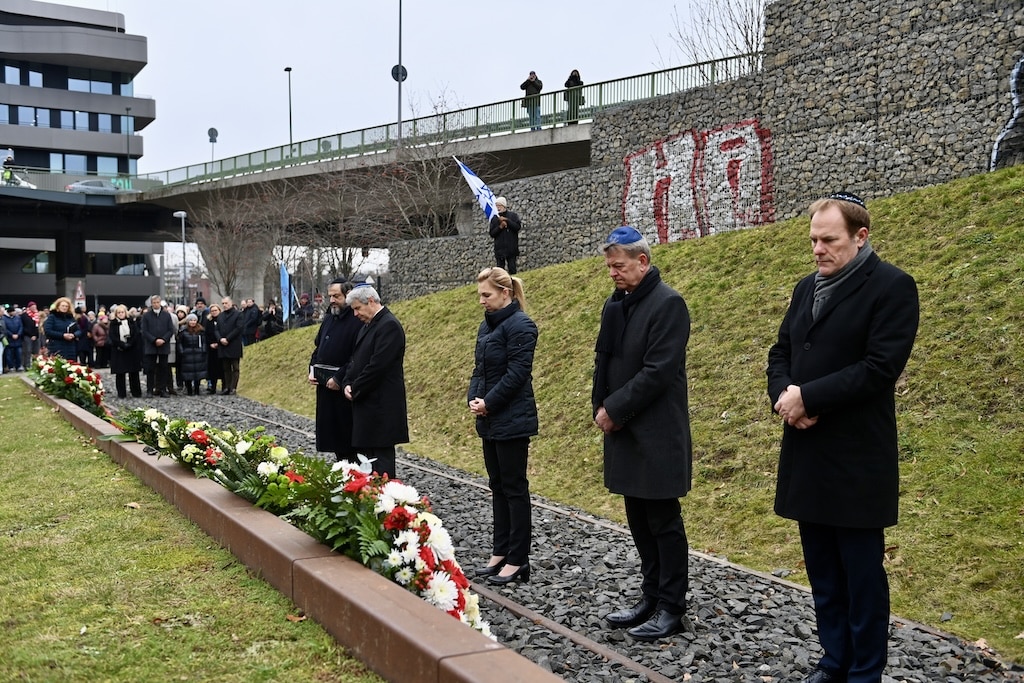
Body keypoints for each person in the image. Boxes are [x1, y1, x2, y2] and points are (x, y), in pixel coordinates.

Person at [767, 192, 919, 683]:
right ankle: (834, 661)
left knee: (861, 576)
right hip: (808, 451)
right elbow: (781, 352)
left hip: (856, 460)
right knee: (824, 575)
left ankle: (864, 673)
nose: (817, 249)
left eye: (828, 239)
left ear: (860, 236)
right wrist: (784, 398)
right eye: (813, 239)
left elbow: (880, 368)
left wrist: (808, 397)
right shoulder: (804, 288)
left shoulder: (893, 287)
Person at [592, 226, 692, 642]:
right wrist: (600, 406)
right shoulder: (617, 305)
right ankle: (650, 597)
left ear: (643, 261)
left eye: (619, 266)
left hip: (656, 432)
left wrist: (613, 409)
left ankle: (672, 605)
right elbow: (605, 361)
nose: (613, 274)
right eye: (610, 267)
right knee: (637, 517)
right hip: (625, 429)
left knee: (663, 521)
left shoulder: (668, 304)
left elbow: (657, 371)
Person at [468, 267, 539, 586]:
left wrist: (489, 402)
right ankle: (501, 551)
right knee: (497, 485)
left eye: (487, 295)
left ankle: (518, 558)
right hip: (490, 417)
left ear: (506, 294)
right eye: (480, 295)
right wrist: (474, 397)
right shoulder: (487, 325)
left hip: (512, 418)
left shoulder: (522, 325)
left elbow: (518, 373)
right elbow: (479, 369)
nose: (482, 301)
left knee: (514, 487)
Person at [342, 285, 408, 480]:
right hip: (367, 405)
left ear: (371, 301)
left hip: (381, 408)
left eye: (357, 308)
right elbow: (355, 360)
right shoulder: (368, 325)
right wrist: (347, 381)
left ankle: (386, 504)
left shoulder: (389, 326)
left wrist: (356, 387)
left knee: (381, 464)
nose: (355, 314)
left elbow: (378, 366)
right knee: (367, 461)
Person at [308, 279, 363, 461]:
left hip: (344, 387)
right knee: (333, 438)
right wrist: (312, 369)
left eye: (336, 296)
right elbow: (318, 347)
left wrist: (339, 378)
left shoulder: (357, 320)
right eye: (330, 296)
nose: (332, 300)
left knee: (347, 439)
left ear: (348, 295)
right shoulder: (330, 317)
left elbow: (358, 356)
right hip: (325, 387)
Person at [140, 294, 176, 397]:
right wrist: (154, 340)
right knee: (150, 369)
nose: (156, 304)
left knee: (164, 368)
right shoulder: (146, 316)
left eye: (157, 302)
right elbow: (144, 331)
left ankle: (163, 389)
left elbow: (171, 330)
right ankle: (150, 390)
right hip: (151, 346)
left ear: (160, 303)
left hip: (164, 345)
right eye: (154, 302)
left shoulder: (166, 315)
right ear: (151, 304)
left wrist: (163, 339)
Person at [108, 304, 143, 398]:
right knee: (120, 373)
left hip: (131, 350)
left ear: (125, 313)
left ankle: (136, 392)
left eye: (122, 312)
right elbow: (112, 336)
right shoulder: (113, 323)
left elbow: (136, 334)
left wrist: (130, 344)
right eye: (118, 312)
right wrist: (122, 345)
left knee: (134, 372)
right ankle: (121, 393)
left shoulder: (131, 322)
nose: (120, 314)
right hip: (119, 350)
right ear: (116, 314)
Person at [217, 296, 245, 394]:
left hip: (233, 344)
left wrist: (228, 338)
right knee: (226, 368)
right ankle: (227, 387)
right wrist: (220, 339)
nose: (224, 305)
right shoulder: (220, 316)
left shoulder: (238, 314)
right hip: (223, 344)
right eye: (223, 303)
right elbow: (216, 329)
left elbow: (238, 328)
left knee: (235, 367)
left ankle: (233, 387)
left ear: (231, 303)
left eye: (226, 303)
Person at [489, 197, 522, 275]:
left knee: (512, 268)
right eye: (496, 206)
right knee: (500, 271)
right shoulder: (494, 219)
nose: (498, 207)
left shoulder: (513, 216)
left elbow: (517, 227)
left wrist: (507, 221)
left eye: (499, 205)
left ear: (504, 206)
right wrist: (500, 227)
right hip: (499, 249)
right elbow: (492, 233)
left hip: (511, 248)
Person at [177, 313, 207, 396]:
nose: (193, 322)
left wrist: (203, 350)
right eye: (191, 320)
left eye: (194, 320)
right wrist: (182, 351)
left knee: (198, 373)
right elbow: (179, 342)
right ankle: (189, 389)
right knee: (187, 373)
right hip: (187, 353)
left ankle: (197, 389)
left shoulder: (200, 331)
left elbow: (204, 342)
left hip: (198, 353)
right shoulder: (183, 331)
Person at [204, 303, 223, 394]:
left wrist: (219, 342)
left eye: (215, 310)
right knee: (212, 368)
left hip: (221, 347)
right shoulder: (208, 321)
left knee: (222, 367)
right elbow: (206, 334)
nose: (214, 312)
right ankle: (213, 387)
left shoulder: (223, 320)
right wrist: (210, 343)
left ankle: (224, 386)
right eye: (212, 311)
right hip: (211, 347)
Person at [3, 306, 22, 372]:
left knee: (19, 353)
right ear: (10, 312)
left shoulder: (18, 318)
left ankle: (18, 366)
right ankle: (10, 366)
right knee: (9, 354)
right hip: (9, 339)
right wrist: (11, 335)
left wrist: (18, 334)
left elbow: (21, 326)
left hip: (18, 339)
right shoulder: (4, 319)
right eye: (13, 311)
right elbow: (5, 329)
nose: (15, 313)